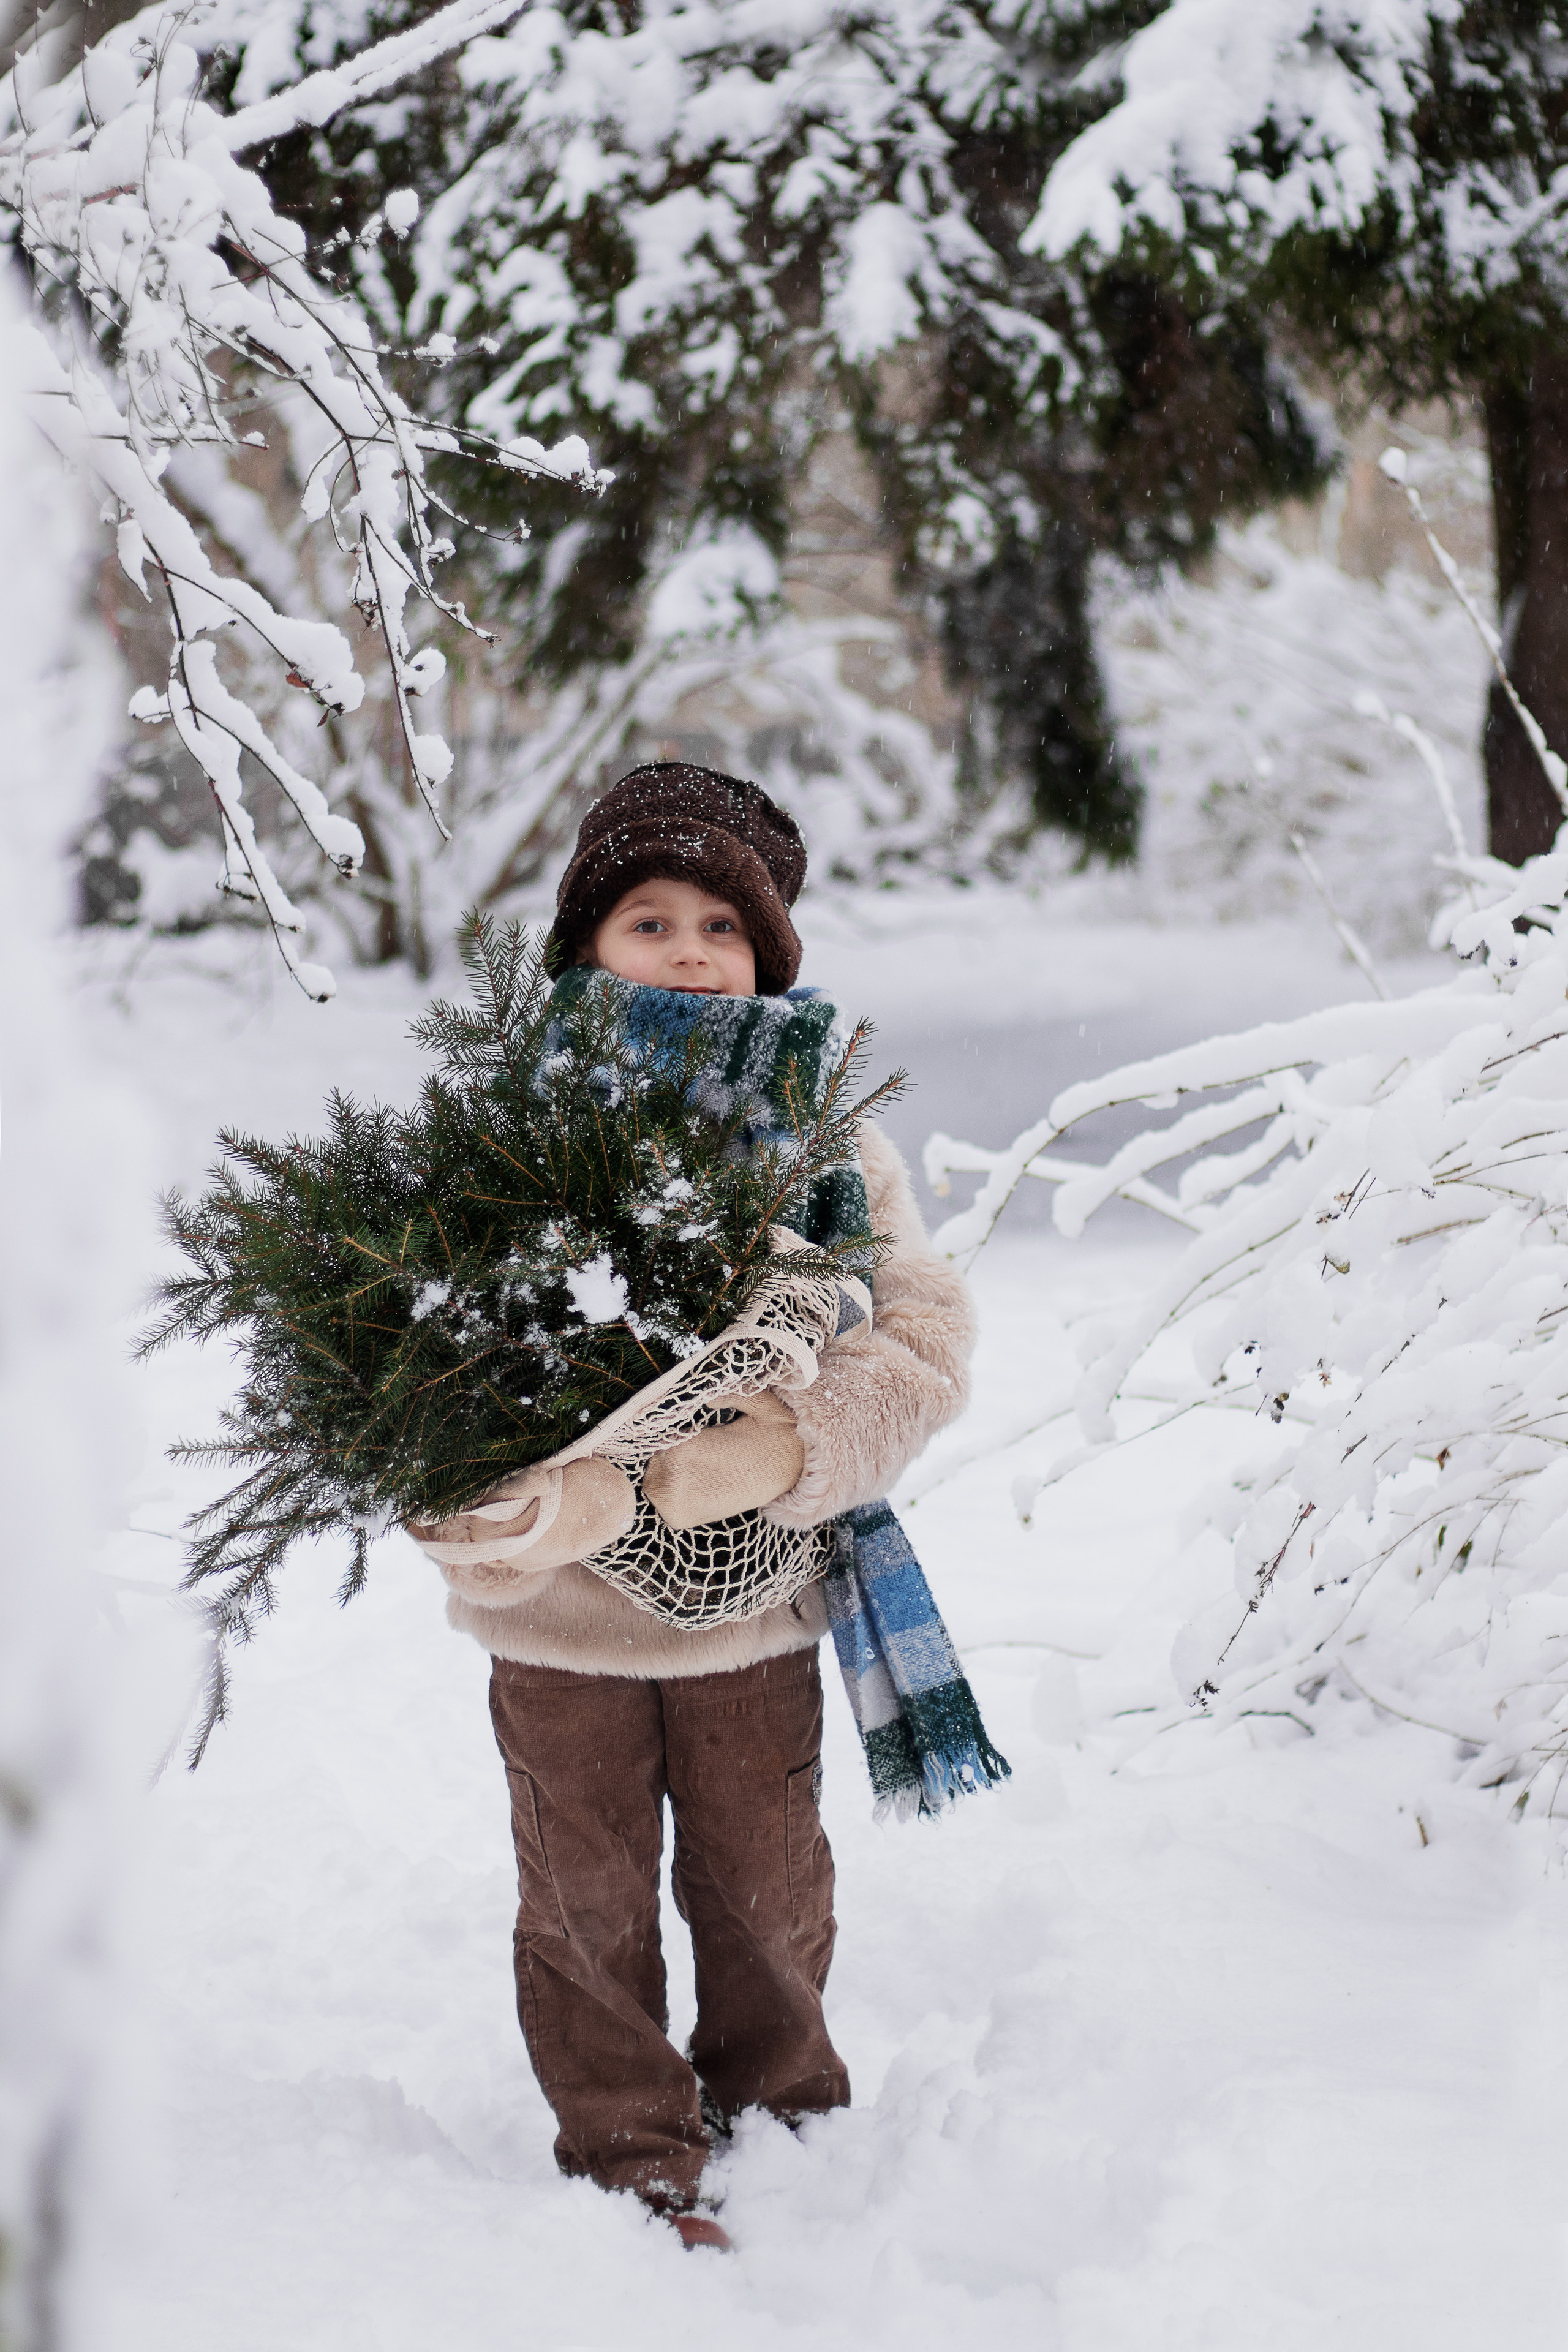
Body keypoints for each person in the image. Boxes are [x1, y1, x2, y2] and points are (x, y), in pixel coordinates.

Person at [418, 763, 976, 2250]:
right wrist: (490, 1495)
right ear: (583, 950)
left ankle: (784, 2114)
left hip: (752, 1603)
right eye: (645, 920)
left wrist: (774, 1449)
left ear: (767, 953)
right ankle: (627, 2154)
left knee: (764, 1883)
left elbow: (917, 1341)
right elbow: (416, 1356)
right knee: (583, 1898)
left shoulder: (825, 1138)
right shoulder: (508, 1133)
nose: (684, 951)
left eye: (719, 925)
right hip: (562, 1619)